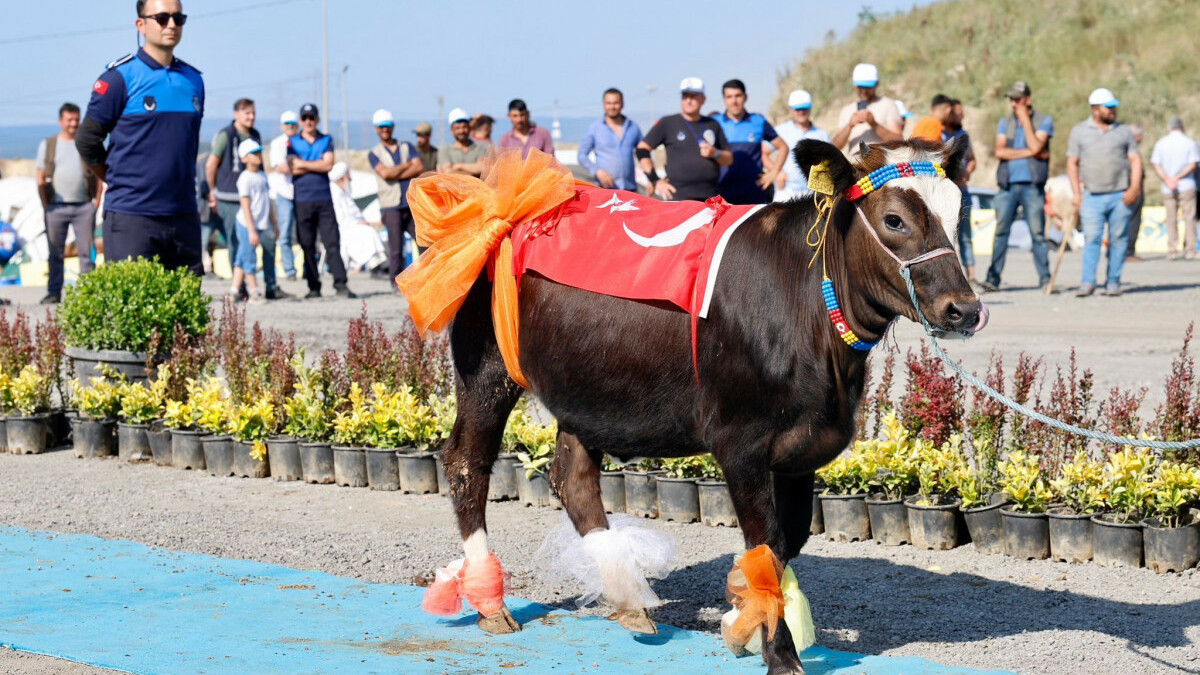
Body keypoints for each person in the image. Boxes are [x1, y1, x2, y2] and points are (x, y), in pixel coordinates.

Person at [76, 0, 204, 274]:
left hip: (183, 215)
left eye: (178, 18)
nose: (171, 24)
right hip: (133, 216)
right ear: (141, 24)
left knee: (184, 312)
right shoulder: (118, 79)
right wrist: (112, 177)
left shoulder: (194, 81)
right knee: (133, 312)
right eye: (162, 17)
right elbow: (87, 140)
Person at [1067, 87, 1142, 297]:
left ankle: (1113, 282)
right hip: (1092, 195)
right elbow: (1072, 162)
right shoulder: (1079, 131)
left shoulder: (1124, 131)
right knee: (1091, 239)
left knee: (1119, 239)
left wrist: (1134, 187)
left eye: (1114, 107)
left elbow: (1135, 159)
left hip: (1120, 195)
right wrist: (1077, 194)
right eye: (1108, 107)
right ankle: (1088, 283)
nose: (1113, 111)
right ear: (1095, 109)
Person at [982, 81, 1054, 292]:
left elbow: (1035, 144)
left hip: (1032, 185)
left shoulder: (1044, 120)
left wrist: (1026, 121)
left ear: (1027, 100)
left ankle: (1045, 279)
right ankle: (993, 279)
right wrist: (1032, 152)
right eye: (1011, 99)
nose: (1013, 104)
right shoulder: (1005, 122)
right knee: (1001, 233)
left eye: (1017, 99)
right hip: (1007, 185)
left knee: (1038, 235)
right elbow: (1000, 152)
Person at [287, 103, 355, 299]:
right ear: (300, 121)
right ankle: (313, 286)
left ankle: (341, 284)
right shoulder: (292, 141)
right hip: (302, 199)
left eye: (312, 117)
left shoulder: (326, 139)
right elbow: (292, 167)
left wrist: (304, 164)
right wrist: (317, 163)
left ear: (317, 120)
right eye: (305, 117)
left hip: (323, 199)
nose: (308, 121)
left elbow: (328, 165)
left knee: (332, 242)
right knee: (306, 244)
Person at [36, 102, 101, 305]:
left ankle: (88, 293)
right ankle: (54, 291)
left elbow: (98, 172)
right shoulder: (49, 144)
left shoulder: (85, 142)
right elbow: (39, 176)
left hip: (83, 206)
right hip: (56, 207)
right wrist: (46, 205)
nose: (73, 124)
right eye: (69, 120)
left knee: (86, 252)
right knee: (55, 251)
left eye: (76, 119)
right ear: (60, 121)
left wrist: (96, 202)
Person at [206, 98, 267, 296]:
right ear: (237, 114)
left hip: (254, 197)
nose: (251, 117)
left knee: (257, 241)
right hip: (229, 196)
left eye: (253, 113)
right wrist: (212, 191)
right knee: (234, 241)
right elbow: (211, 164)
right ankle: (240, 287)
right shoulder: (226, 135)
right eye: (247, 113)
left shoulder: (255, 135)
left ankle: (266, 284)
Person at [636, 77, 732, 201]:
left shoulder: (712, 124)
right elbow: (641, 150)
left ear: (703, 99)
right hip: (678, 197)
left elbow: (729, 159)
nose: (688, 101)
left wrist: (715, 153)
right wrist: (655, 180)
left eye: (693, 97)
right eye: (685, 97)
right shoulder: (668, 123)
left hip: (710, 197)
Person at [368, 109, 424, 290]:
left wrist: (395, 172)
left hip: (410, 202)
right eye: (381, 127)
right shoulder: (374, 153)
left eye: (387, 126)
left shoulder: (407, 146)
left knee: (423, 241)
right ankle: (396, 282)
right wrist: (408, 166)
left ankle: (429, 276)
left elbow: (419, 167)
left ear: (392, 127)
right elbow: (385, 173)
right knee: (396, 246)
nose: (385, 130)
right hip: (390, 205)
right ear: (376, 129)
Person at [714, 79, 787, 205]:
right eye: (729, 97)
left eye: (738, 96)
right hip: (722, 195)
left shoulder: (758, 121)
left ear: (745, 97)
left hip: (753, 194)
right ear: (724, 100)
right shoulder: (715, 122)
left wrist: (773, 173)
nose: (734, 101)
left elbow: (783, 147)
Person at [231, 139, 275, 304]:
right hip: (247, 224)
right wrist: (251, 230)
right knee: (249, 257)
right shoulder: (245, 178)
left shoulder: (263, 175)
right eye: (253, 153)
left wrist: (274, 223)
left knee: (242, 257)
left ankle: (234, 290)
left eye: (258, 152)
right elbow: (246, 205)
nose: (258, 156)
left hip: (261, 223)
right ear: (244, 158)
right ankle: (254, 292)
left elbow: (268, 202)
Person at [1151, 116, 1199, 260]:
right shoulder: (1190, 143)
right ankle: (1190, 249)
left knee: (1171, 218)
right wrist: (1178, 178)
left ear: (1169, 128)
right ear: (1182, 127)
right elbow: (1193, 165)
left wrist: (1168, 178)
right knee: (1189, 217)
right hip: (1186, 184)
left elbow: (1156, 164)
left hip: (1167, 186)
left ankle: (1172, 250)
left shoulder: (1161, 143)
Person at [830, 63, 903, 157]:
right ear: (854, 85)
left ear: (877, 84)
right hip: (855, 166)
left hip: (881, 167)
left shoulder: (888, 104)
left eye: (868, 87)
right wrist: (849, 126)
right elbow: (835, 146)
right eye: (861, 87)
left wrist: (874, 124)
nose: (864, 91)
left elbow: (899, 142)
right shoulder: (847, 110)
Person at [942, 99, 978, 283]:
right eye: (958, 112)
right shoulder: (938, 135)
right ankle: (952, 276)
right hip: (945, 192)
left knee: (965, 234)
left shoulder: (963, 135)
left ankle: (971, 275)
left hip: (962, 190)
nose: (961, 116)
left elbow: (972, 159)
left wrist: (967, 172)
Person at [577, 88, 643, 191]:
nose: (612, 107)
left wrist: (650, 180)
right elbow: (582, 156)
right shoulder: (594, 128)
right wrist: (597, 171)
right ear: (603, 105)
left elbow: (643, 153)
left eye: (616, 103)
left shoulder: (633, 127)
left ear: (622, 104)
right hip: (605, 190)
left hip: (630, 190)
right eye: (608, 103)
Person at [772, 89, 831, 202]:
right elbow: (763, 152)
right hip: (786, 191)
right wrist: (776, 172)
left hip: (813, 193)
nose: (801, 112)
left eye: (804, 108)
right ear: (791, 110)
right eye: (797, 109)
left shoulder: (822, 135)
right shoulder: (780, 131)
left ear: (810, 108)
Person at [329, 162, 387, 273]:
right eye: (348, 177)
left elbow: (355, 212)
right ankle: (375, 266)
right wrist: (358, 223)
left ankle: (380, 264)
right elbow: (341, 218)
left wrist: (363, 221)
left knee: (372, 231)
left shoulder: (344, 193)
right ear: (342, 179)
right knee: (368, 233)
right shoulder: (334, 194)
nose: (350, 179)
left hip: (353, 225)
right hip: (344, 228)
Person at [268, 110, 299, 281]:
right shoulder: (277, 144)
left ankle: (307, 268)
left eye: (293, 125)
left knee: (305, 233)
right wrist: (307, 166)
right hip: (284, 193)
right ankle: (289, 270)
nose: (291, 127)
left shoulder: (302, 142)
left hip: (302, 193)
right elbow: (281, 167)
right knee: (285, 233)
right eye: (287, 124)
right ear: (282, 126)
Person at [437, 108, 489, 177]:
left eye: (464, 127)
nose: (462, 131)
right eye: (457, 128)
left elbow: (481, 168)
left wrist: (458, 166)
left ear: (470, 129)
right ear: (452, 131)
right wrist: (473, 172)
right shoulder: (445, 150)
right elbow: (447, 172)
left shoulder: (480, 148)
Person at [1126, 123, 1146, 260]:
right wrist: (1135, 188)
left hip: (1129, 187)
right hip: (1132, 188)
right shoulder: (1131, 151)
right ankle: (1128, 252)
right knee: (1132, 220)